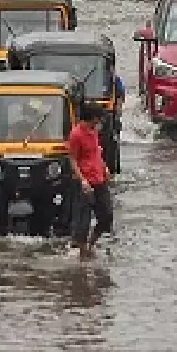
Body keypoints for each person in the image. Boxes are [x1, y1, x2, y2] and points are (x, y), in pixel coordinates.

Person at [68, 103, 113, 261]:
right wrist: (82, 180)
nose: (99, 121)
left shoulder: (94, 132)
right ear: (92, 118)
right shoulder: (76, 134)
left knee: (106, 216)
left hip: (99, 179)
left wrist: (104, 167)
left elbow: (96, 152)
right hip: (85, 182)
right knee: (83, 220)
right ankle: (83, 252)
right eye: (98, 118)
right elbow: (72, 159)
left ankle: (90, 244)